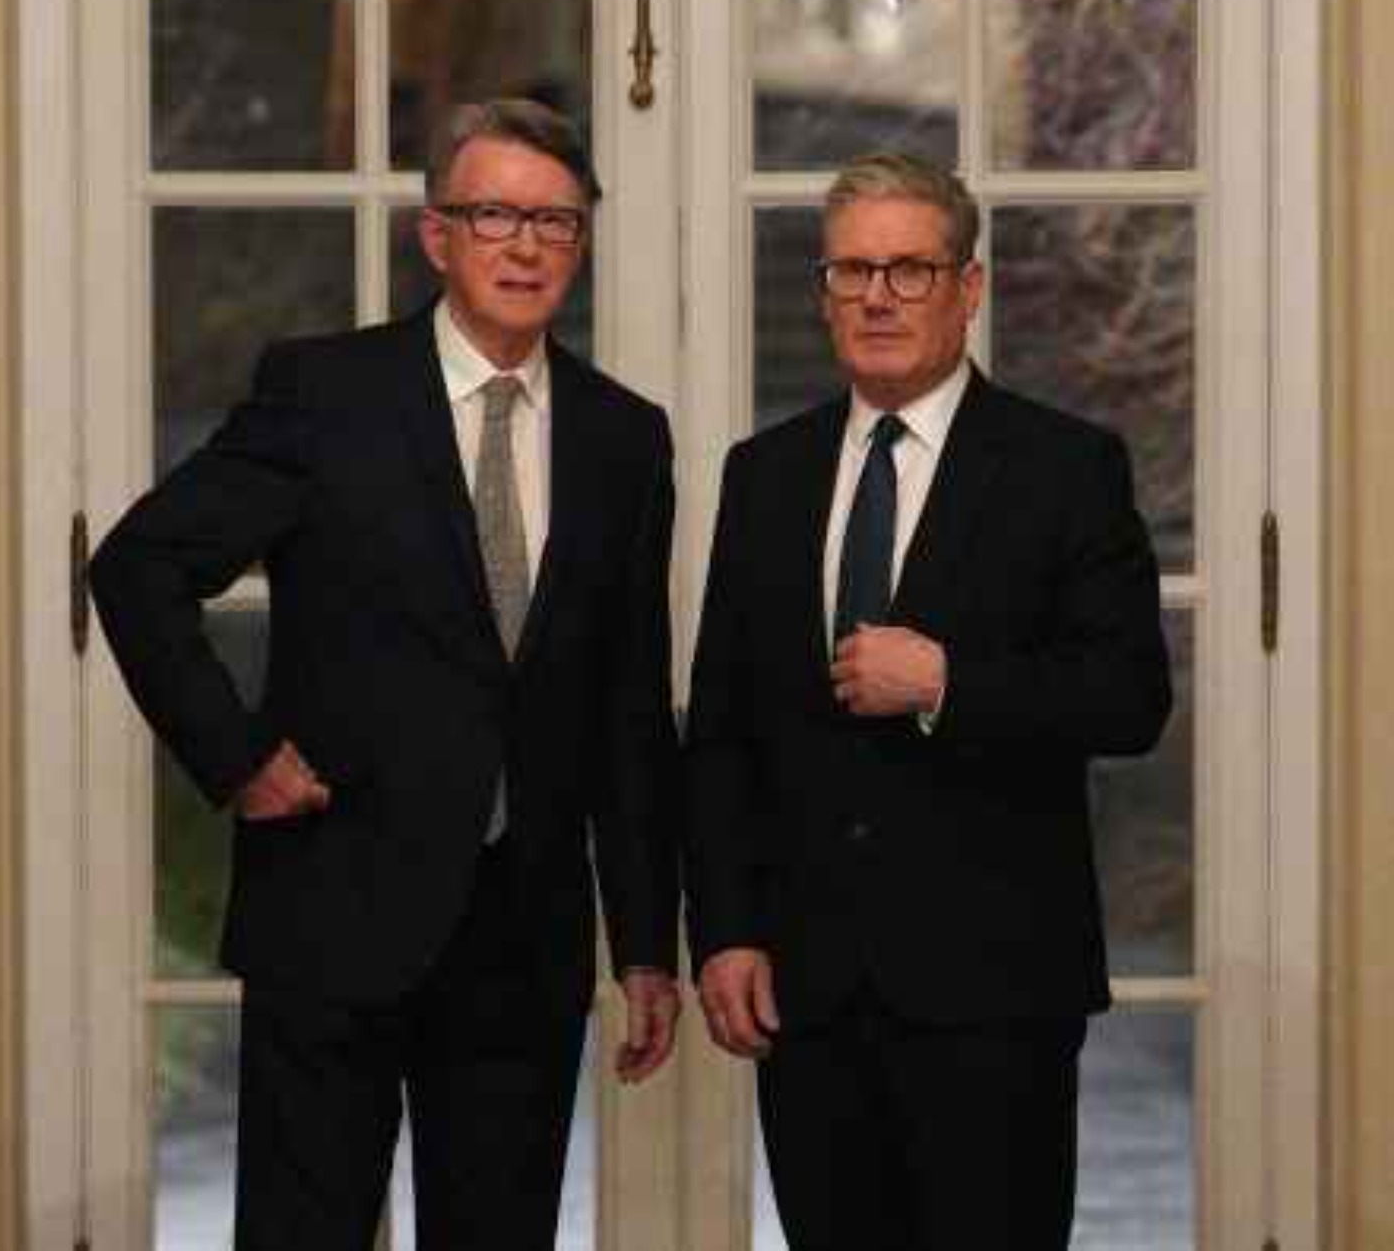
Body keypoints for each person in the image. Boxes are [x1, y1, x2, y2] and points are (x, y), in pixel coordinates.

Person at [91, 98, 681, 1250]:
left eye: (554, 221)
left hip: (522, 940)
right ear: (436, 234)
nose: (524, 245)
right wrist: (237, 756)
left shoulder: (623, 437)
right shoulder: (326, 396)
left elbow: (627, 705)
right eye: (494, 214)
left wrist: (647, 939)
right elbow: (138, 566)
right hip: (334, 909)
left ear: (581, 241)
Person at [681, 153, 1171, 1250]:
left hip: (993, 995)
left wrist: (948, 680)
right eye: (851, 271)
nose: (877, 297)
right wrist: (725, 931)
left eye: (909, 270)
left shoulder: (1065, 467)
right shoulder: (764, 474)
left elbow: (1128, 696)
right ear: (823, 291)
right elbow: (720, 732)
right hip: (808, 997)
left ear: (968, 287)